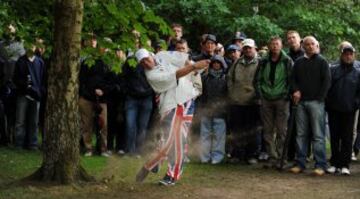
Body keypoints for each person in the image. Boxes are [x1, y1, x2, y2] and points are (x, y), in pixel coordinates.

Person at [135, 49, 209, 186]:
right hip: (170, 105)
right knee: (170, 139)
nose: (146, 63)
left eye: (146, 58)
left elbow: (183, 59)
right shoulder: (151, 75)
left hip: (185, 100)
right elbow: (176, 74)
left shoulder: (162, 55)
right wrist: (194, 67)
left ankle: (169, 172)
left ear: (151, 55)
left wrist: (197, 70)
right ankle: (155, 162)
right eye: (142, 62)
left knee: (176, 140)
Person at [289, 36, 331, 176]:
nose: (310, 46)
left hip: (316, 103)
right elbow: (293, 79)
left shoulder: (322, 61)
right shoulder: (299, 62)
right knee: (301, 134)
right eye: (307, 44)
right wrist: (295, 90)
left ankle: (320, 165)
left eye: (313, 44)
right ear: (303, 46)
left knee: (318, 135)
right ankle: (300, 163)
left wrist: (320, 99)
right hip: (301, 103)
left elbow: (327, 82)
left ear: (317, 46)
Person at [255, 36, 293, 168]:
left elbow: (291, 80)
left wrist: (286, 95)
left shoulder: (287, 61)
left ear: (281, 46)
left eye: (277, 44)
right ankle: (272, 157)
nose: (275, 46)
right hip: (266, 99)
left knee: (282, 130)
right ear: (269, 46)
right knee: (267, 130)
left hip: (282, 99)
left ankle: (282, 158)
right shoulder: (263, 61)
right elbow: (257, 79)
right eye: (272, 44)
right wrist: (260, 94)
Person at [326, 44, 360, 175]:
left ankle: (345, 164)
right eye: (346, 53)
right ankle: (334, 163)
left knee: (347, 138)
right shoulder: (333, 70)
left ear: (354, 55)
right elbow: (327, 88)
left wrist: (355, 104)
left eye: (350, 54)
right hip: (333, 109)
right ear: (341, 55)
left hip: (349, 110)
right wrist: (328, 103)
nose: (348, 56)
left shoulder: (358, 73)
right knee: (334, 137)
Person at [227, 38, 262, 164]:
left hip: (254, 102)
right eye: (245, 48)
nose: (247, 50)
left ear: (255, 49)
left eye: (250, 48)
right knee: (237, 130)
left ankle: (252, 155)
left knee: (253, 130)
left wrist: (258, 95)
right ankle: (237, 154)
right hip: (237, 102)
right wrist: (232, 94)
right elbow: (230, 79)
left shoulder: (261, 62)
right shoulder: (237, 63)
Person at [79, 44, 113, 157]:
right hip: (87, 97)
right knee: (86, 125)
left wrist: (103, 91)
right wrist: (90, 91)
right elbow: (82, 80)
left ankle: (103, 149)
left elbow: (112, 82)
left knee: (103, 125)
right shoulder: (87, 62)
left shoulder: (109, 64)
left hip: (102, 99)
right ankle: (88, 148)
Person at [13, 44, 45, 149]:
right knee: (20, 121)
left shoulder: (39, 62)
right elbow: (16, 78)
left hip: (36, 96)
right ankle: (19, 143)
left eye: (32, 46)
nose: (30, 48)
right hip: (23, 94)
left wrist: (39, 92)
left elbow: (43, 79)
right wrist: (25, 87)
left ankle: (33, 144)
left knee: (34, 121)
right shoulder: (20, 61)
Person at [198, 55, 228, 164]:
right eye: (214, 62)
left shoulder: (226, 78)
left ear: (222, 64)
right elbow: (202, 95)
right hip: (206, 110)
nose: (216, 64)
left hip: (220, 111)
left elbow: (227, 96)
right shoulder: (205, 78)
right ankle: (204, 157)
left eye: (218, 63)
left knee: (219, 136)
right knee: (204, 135)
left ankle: (217, 157)